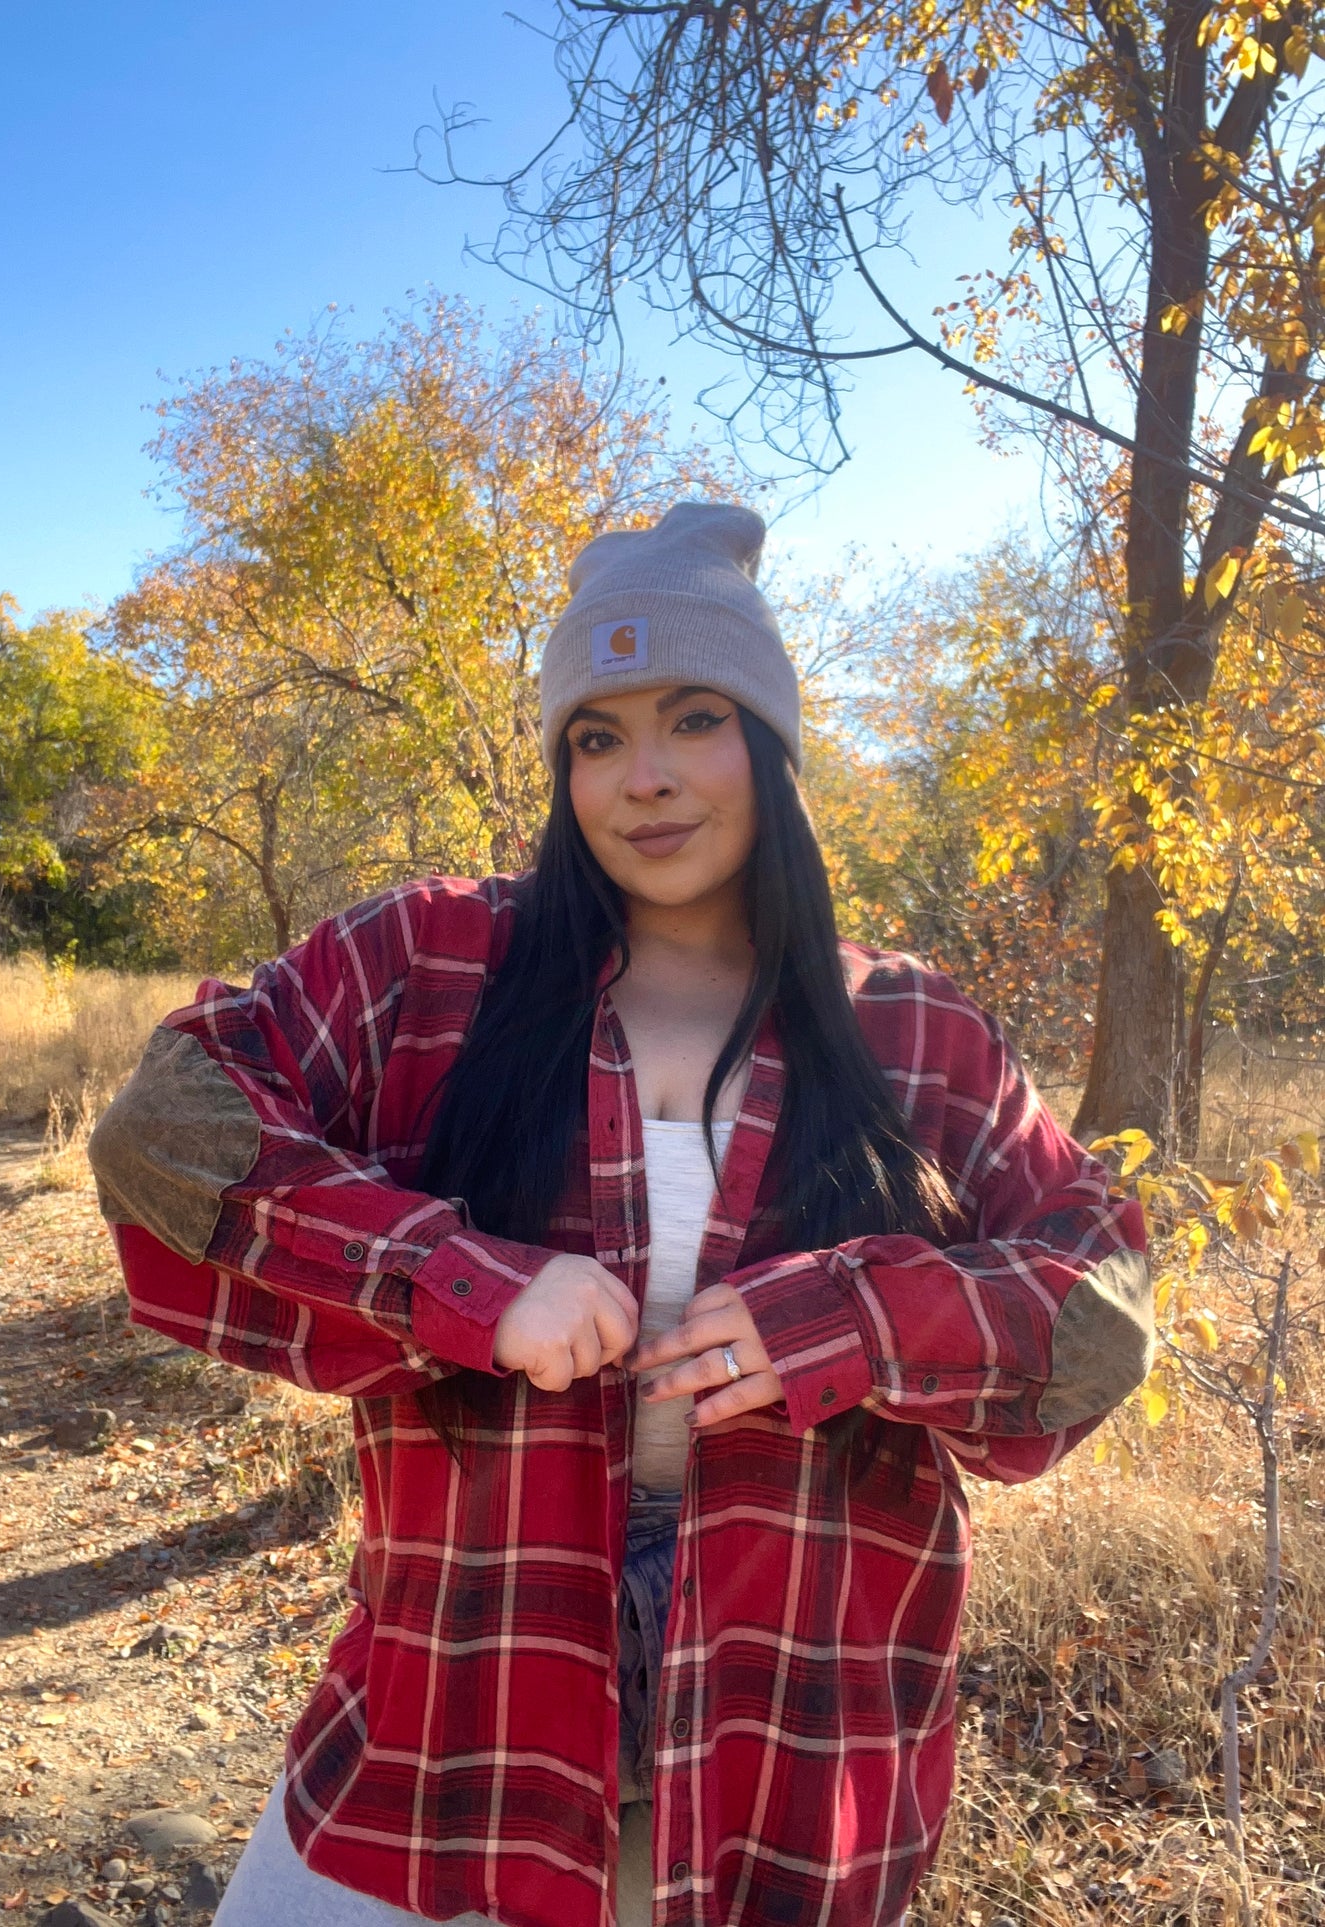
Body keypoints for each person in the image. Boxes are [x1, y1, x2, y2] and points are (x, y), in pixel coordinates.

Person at [88, 502, 1151, 1927]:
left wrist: (854, 1318)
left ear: (768, 745)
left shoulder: (904, 1024)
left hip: (795, 1710)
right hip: (464, 1682)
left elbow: (1101, 1301)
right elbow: (165, 1128)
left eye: (694, 718)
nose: (643, 779)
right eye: (597, 736)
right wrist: (453, 1276)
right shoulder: (432, 959)